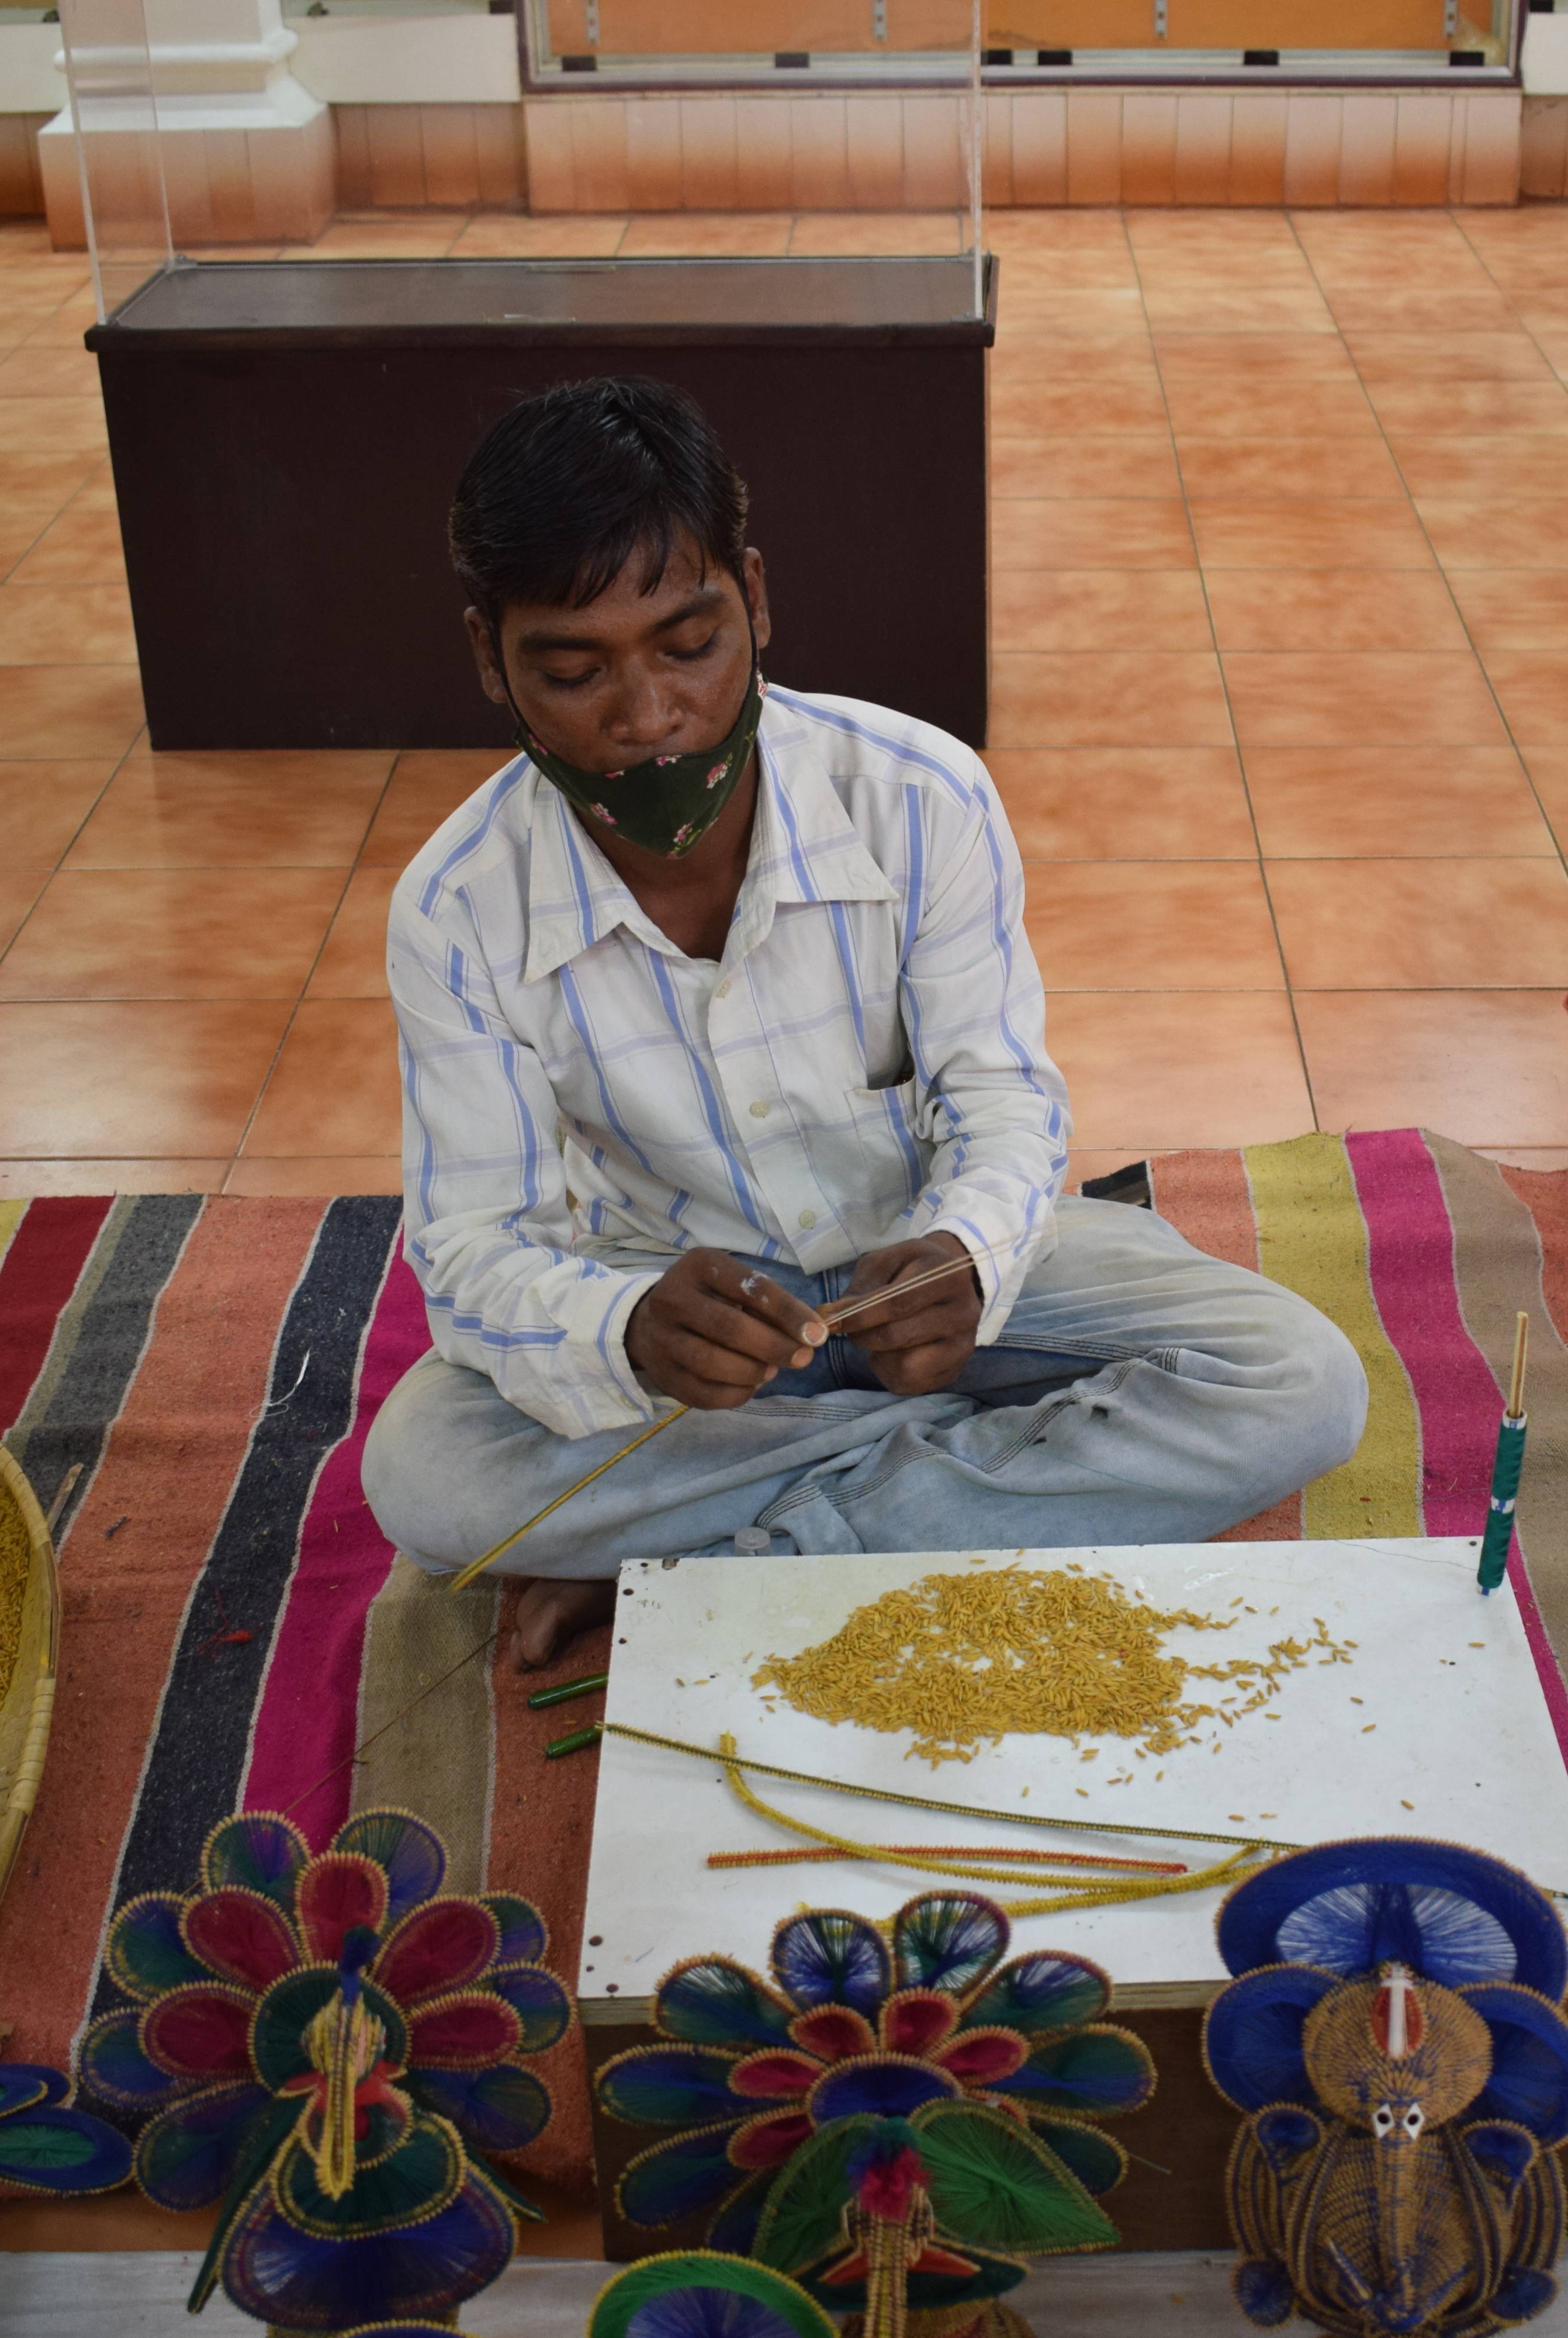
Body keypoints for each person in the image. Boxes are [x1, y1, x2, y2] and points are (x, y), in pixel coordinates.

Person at [361, 376, 1368, 1671]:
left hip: (926, 1289)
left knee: (1299, 1379)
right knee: (430, 1477)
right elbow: (473, 1246)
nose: (649, 715)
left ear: (759, 601)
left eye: (690, 643)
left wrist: (967, 1249)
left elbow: (1003, 1104)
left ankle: (743, 1560)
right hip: (687, 1335)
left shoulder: (922, 796)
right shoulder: (456, 909)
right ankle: (969, 1490)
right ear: (489, 661)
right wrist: (623, 1332)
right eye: (571, 671)